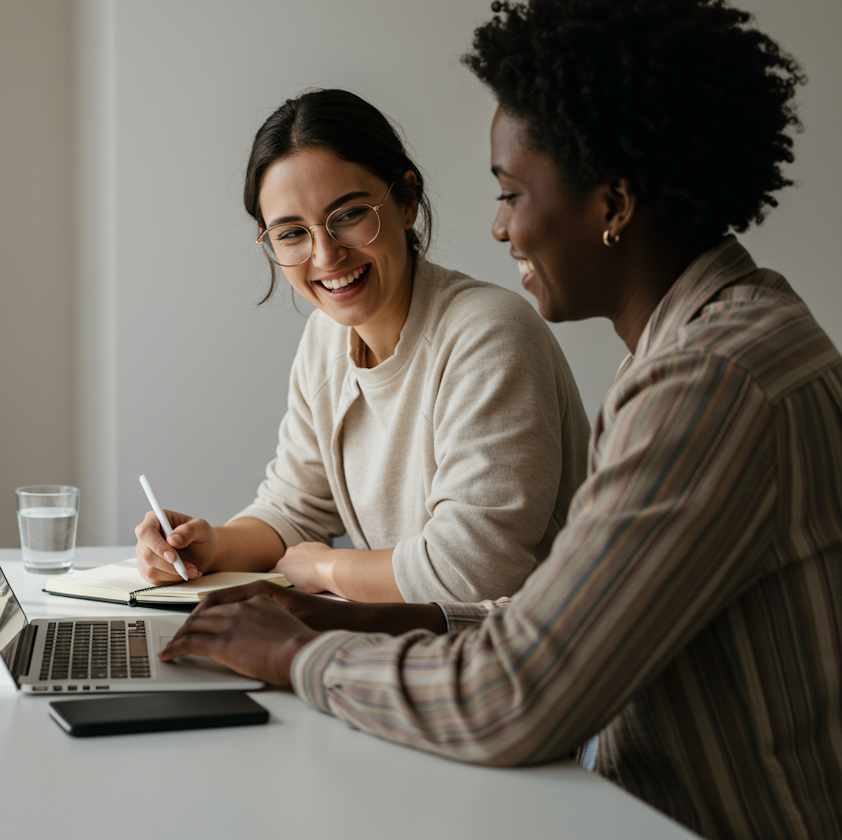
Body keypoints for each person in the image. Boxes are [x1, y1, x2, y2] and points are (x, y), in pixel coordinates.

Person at [157, 2, 842, 838]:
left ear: (614, 204)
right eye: (291, 233)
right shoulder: (709, 341)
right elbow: (539, 626)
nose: (499, 225)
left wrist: (296, 652)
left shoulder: (708, 383)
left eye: (512, 192)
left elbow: (517, 694)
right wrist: (345, 611)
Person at [135, 89, 589, 604]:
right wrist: (209, 547)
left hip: (521, 664)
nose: (325, 255)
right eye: (292, 234)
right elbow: (294, 509)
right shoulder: (325, 340)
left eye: (348, 215)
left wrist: (327, 566)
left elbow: (474, 570)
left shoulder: (489, 334)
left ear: (407, 201)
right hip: (413, 648)